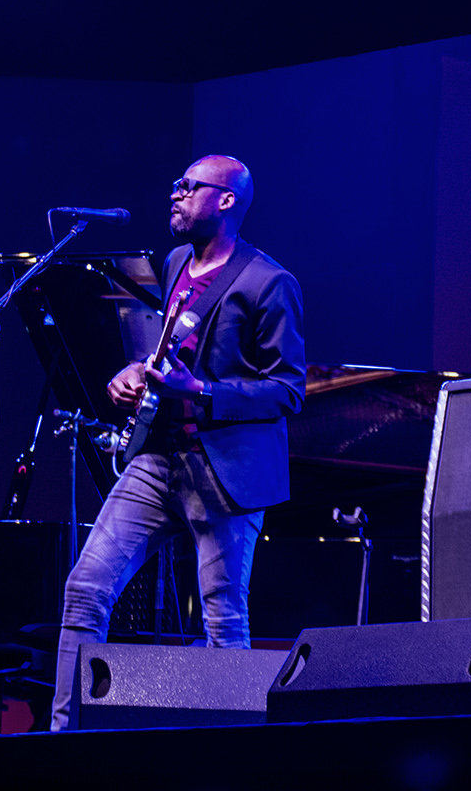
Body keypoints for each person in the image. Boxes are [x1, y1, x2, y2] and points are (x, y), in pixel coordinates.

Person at [50, 154, 305, 731]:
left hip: (225, 471)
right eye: (176, 185)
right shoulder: (174, 263)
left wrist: (205, 391)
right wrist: (138, 370)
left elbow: (288, 389)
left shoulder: (269, 282)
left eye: (190, 188)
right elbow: (172, 348)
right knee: (86, 589)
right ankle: (62, 738)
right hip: (157, 458)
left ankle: (231, 754)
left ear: (226, 201)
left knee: (222, 617)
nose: (176, 195)